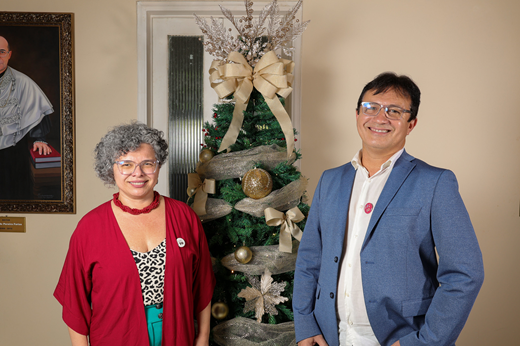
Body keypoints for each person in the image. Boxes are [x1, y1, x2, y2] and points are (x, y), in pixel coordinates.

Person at [293, 72, 484, 346]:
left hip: (399, 337)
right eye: (371, 107)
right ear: (358, 114)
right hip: (328, 336)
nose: (380, 118)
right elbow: (309, 260)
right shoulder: (330, 180)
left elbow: (465, 274)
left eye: (394, 111)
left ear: (411, 124)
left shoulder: (435, 183)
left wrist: (424, 342)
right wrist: (305, 324)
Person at [54, 122, 215, 346]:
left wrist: (203, 338)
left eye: (147, 163)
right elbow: (74, 301)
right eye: (126, 164)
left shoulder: (184, 217)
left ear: (158, 168)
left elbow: (203, 284)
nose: (137, 173)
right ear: (110, 169)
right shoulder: (90, 227)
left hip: (178, 335)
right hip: (117, 337)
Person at [0, 35, 54, 199]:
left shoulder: (23, 82)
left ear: (9, 55)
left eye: (1, 52)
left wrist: (39, 138)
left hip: (13, 152)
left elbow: (37, 111)